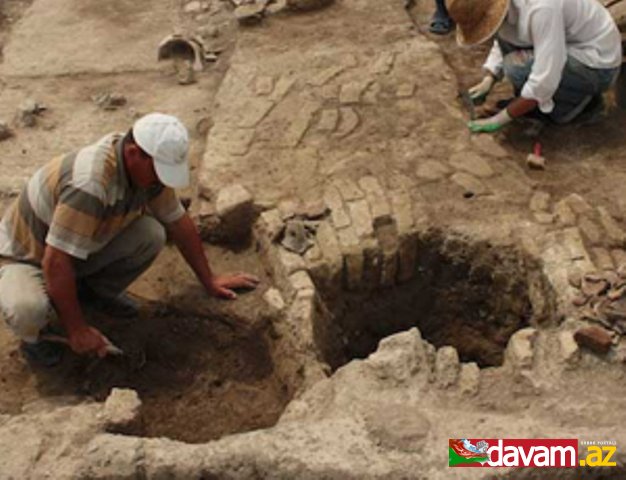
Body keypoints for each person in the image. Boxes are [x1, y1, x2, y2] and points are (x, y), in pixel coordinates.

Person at [0, 113, 259, 365]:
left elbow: (177, 222)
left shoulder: (146, 173)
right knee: (28, 310)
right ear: (134, 153)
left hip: (73, 247)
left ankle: (92, 294)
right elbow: (55, 263)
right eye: (158, 170)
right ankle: (37, 340)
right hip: (26, 258)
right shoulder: (90, 185)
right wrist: (77, 330)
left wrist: (209, 279)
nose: (161, 180)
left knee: (150, 234)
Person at [448, 0, 623, 133]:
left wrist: (500, 119)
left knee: (516, 68)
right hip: (568, 44)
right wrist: (490, 77)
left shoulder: (542, 8)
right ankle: (534, 103)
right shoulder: (508, 8)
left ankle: (578, 107)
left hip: (598, 62)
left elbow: (545, 77)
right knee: (515, 64)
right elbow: (504, 34)